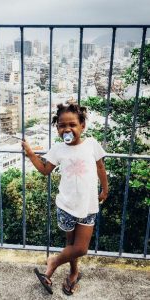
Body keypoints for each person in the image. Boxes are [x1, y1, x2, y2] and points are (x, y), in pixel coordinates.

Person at [22, 102, 109, 295]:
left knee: (80, 248)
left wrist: (105, 189)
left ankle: (52, 263)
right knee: (71, 246)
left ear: (82, 126)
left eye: (72, 125)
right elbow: (45, 170)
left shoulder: (91, 144)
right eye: (62, 126)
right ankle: (73, 273)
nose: (67, 129)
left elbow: (101, 168)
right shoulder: (58, 149)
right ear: (57, 128)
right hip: (66, 206)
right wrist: (30, 154)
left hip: (88, 207)